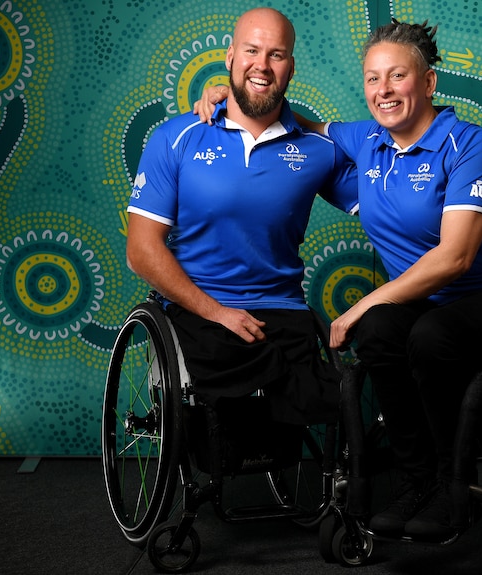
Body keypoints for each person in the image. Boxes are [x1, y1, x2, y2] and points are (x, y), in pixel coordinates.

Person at [197, 18, 482, 542]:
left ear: (427, 83)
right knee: (379, 336)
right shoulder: (367, 140)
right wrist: (228, 94)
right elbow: (296, 125)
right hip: (421, 301)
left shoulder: (473, 146)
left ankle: (454, 488)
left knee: (420, 333)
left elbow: (454, 260)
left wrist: (361, 305)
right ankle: (415, 481)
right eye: (373, 79)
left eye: (397, 76)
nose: (384, 91)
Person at [127, 7, 358, 427]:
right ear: (230, 56)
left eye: (276, 55)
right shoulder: (174, 138)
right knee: (252, 371)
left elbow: (392, 204)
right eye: (252, 50)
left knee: (321, 384)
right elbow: (141, 251)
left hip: (282, 308)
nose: (262, 65)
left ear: (291, 67)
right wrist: (218, 313)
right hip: (201, 307)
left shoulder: (317, 150)